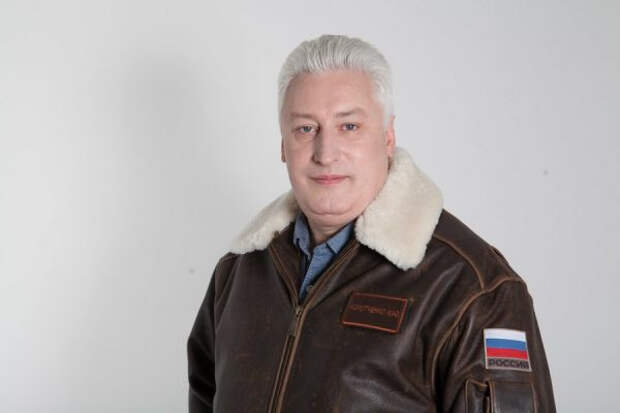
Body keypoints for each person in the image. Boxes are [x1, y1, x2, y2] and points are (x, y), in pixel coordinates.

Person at [187, 34, 556, 412]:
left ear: (387, 137)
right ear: (284, 145)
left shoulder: (474, 288)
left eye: (349, 126)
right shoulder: (237, 275)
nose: (326, 153)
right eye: (305, 128)